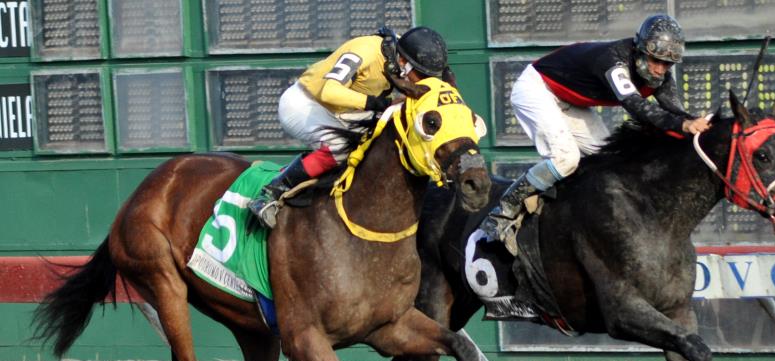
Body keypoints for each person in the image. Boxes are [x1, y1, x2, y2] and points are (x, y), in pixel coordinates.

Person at [480, 14, 711, 250]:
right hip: (537, 88)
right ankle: (503, 212)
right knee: (566, 159)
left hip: (570, 102)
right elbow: (635, 106)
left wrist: (702, 126)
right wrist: (683, 124)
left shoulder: (659, 76)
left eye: (667, 64)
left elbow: (676, 112)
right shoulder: (614, 60)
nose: (660, 69)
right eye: (655, 60)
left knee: (610, 161)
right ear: (640, 49)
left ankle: (569, 212)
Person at [249, 26, 453, 228]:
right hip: (305, 103)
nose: (421, 81)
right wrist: (379, 104)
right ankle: (272, 192)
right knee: (340, 147)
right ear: (402, 62)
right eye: (420, 75)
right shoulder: (365, 51)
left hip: (343, 110)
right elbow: (328, 92)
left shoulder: (410, 52)